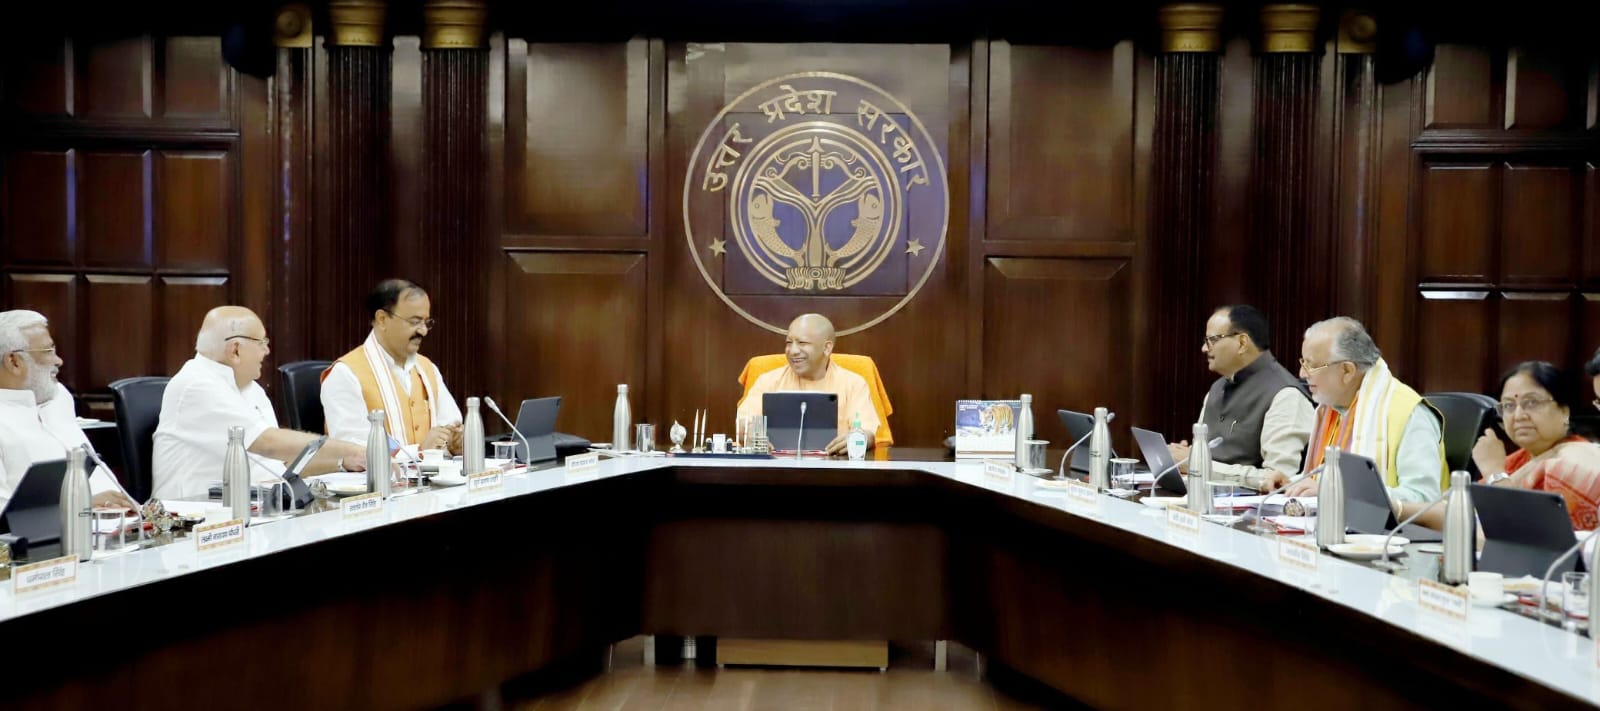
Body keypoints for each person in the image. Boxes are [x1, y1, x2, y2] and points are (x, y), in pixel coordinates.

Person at [153, 306, 364, 500]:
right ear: (235, 350)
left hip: (257, 506)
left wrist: (342, 462)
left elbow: (279, 463)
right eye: (262, 343)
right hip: (196, 518)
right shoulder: (196, 384)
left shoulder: (251, 388)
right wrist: (351, 450)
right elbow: (268, 443)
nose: (267, 351)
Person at [1404, 361, 1600, 531]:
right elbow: (1463, 513)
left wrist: (1494, 472)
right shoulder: (1519, 460)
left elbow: (1516, 535)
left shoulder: (1574, 462)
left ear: (1565, 411)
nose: (1518, 415)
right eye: (1508, 406)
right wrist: (1398, 508)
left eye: (1532, 402)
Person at [1282, 317, 1446, 509]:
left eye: (1311, 365)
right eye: (1303, 362)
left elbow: (1424, 499)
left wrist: (1336, 492)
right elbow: (1322, 480)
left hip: (1395, 528)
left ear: (1347, 371)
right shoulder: (1334, 408)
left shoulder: (1408, 413)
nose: (1302, 374)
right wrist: (1289, 483)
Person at [0, 310, 138, 511]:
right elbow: (4, 514)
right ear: (14, 361)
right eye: (48, 351)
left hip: (119, 520)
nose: (58, 361)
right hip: (54, 528)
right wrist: (80, 505)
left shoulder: (59, 397)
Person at [1167, 305, 1313, 492]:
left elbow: (1278, 479)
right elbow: (1205, 458)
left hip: (1252, 508)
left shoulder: (1286, 394)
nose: (1204, 348)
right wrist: (1185, 457)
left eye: (1212, 340)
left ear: (1242, 343)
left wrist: (1197, 464)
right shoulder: (1217, 388)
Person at [321, 279, 463, 453]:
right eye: (414, 321)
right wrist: (419, 452)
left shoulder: (427, 369)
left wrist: (454, 443)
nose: (423, 331)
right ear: (382, 319)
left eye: (426, 322)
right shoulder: (346, 374)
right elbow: (353, 449)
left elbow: (450, 425)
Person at [735, 314, 879, 455]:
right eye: (789, 343)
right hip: (777, 465)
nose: (793, 351)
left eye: (802, 343)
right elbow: (743, 424)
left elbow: (868, 433)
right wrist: (749, 435)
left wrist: (858, 439)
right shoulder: (768, 380)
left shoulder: (853, 383)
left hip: (835, 464)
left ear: (827, 348)